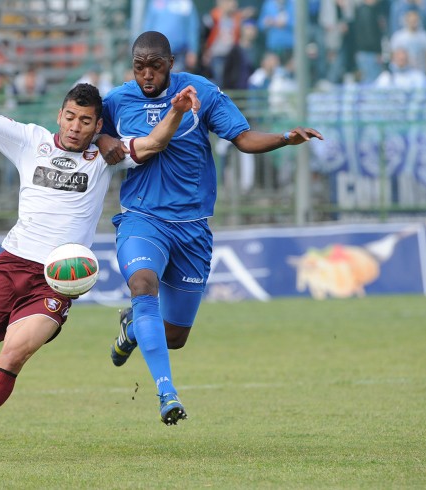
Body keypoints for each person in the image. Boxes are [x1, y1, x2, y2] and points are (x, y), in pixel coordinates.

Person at [0, 57, 198, 465]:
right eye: (71, 117)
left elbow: (152, 144)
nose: (76, 127)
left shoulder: (104, 157)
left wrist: (177, 112)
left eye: (86, 121)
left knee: (14, 356)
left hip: (55, 282)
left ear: (98, 126)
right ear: (60, 115)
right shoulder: (29, 139)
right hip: (9, 266)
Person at [97, 31, 323, 425]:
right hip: (142, 218)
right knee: (142, 285)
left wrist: (285, 137)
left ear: (171, 62)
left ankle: (133, 328)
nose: (146, 75)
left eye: (154, 66)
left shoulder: (200, 92)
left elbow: (243, 138)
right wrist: (102, 139)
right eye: (139, 66)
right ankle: (167, 395)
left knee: (175, 337)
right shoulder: (117, 100)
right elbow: (91, 131)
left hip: (192, 228)